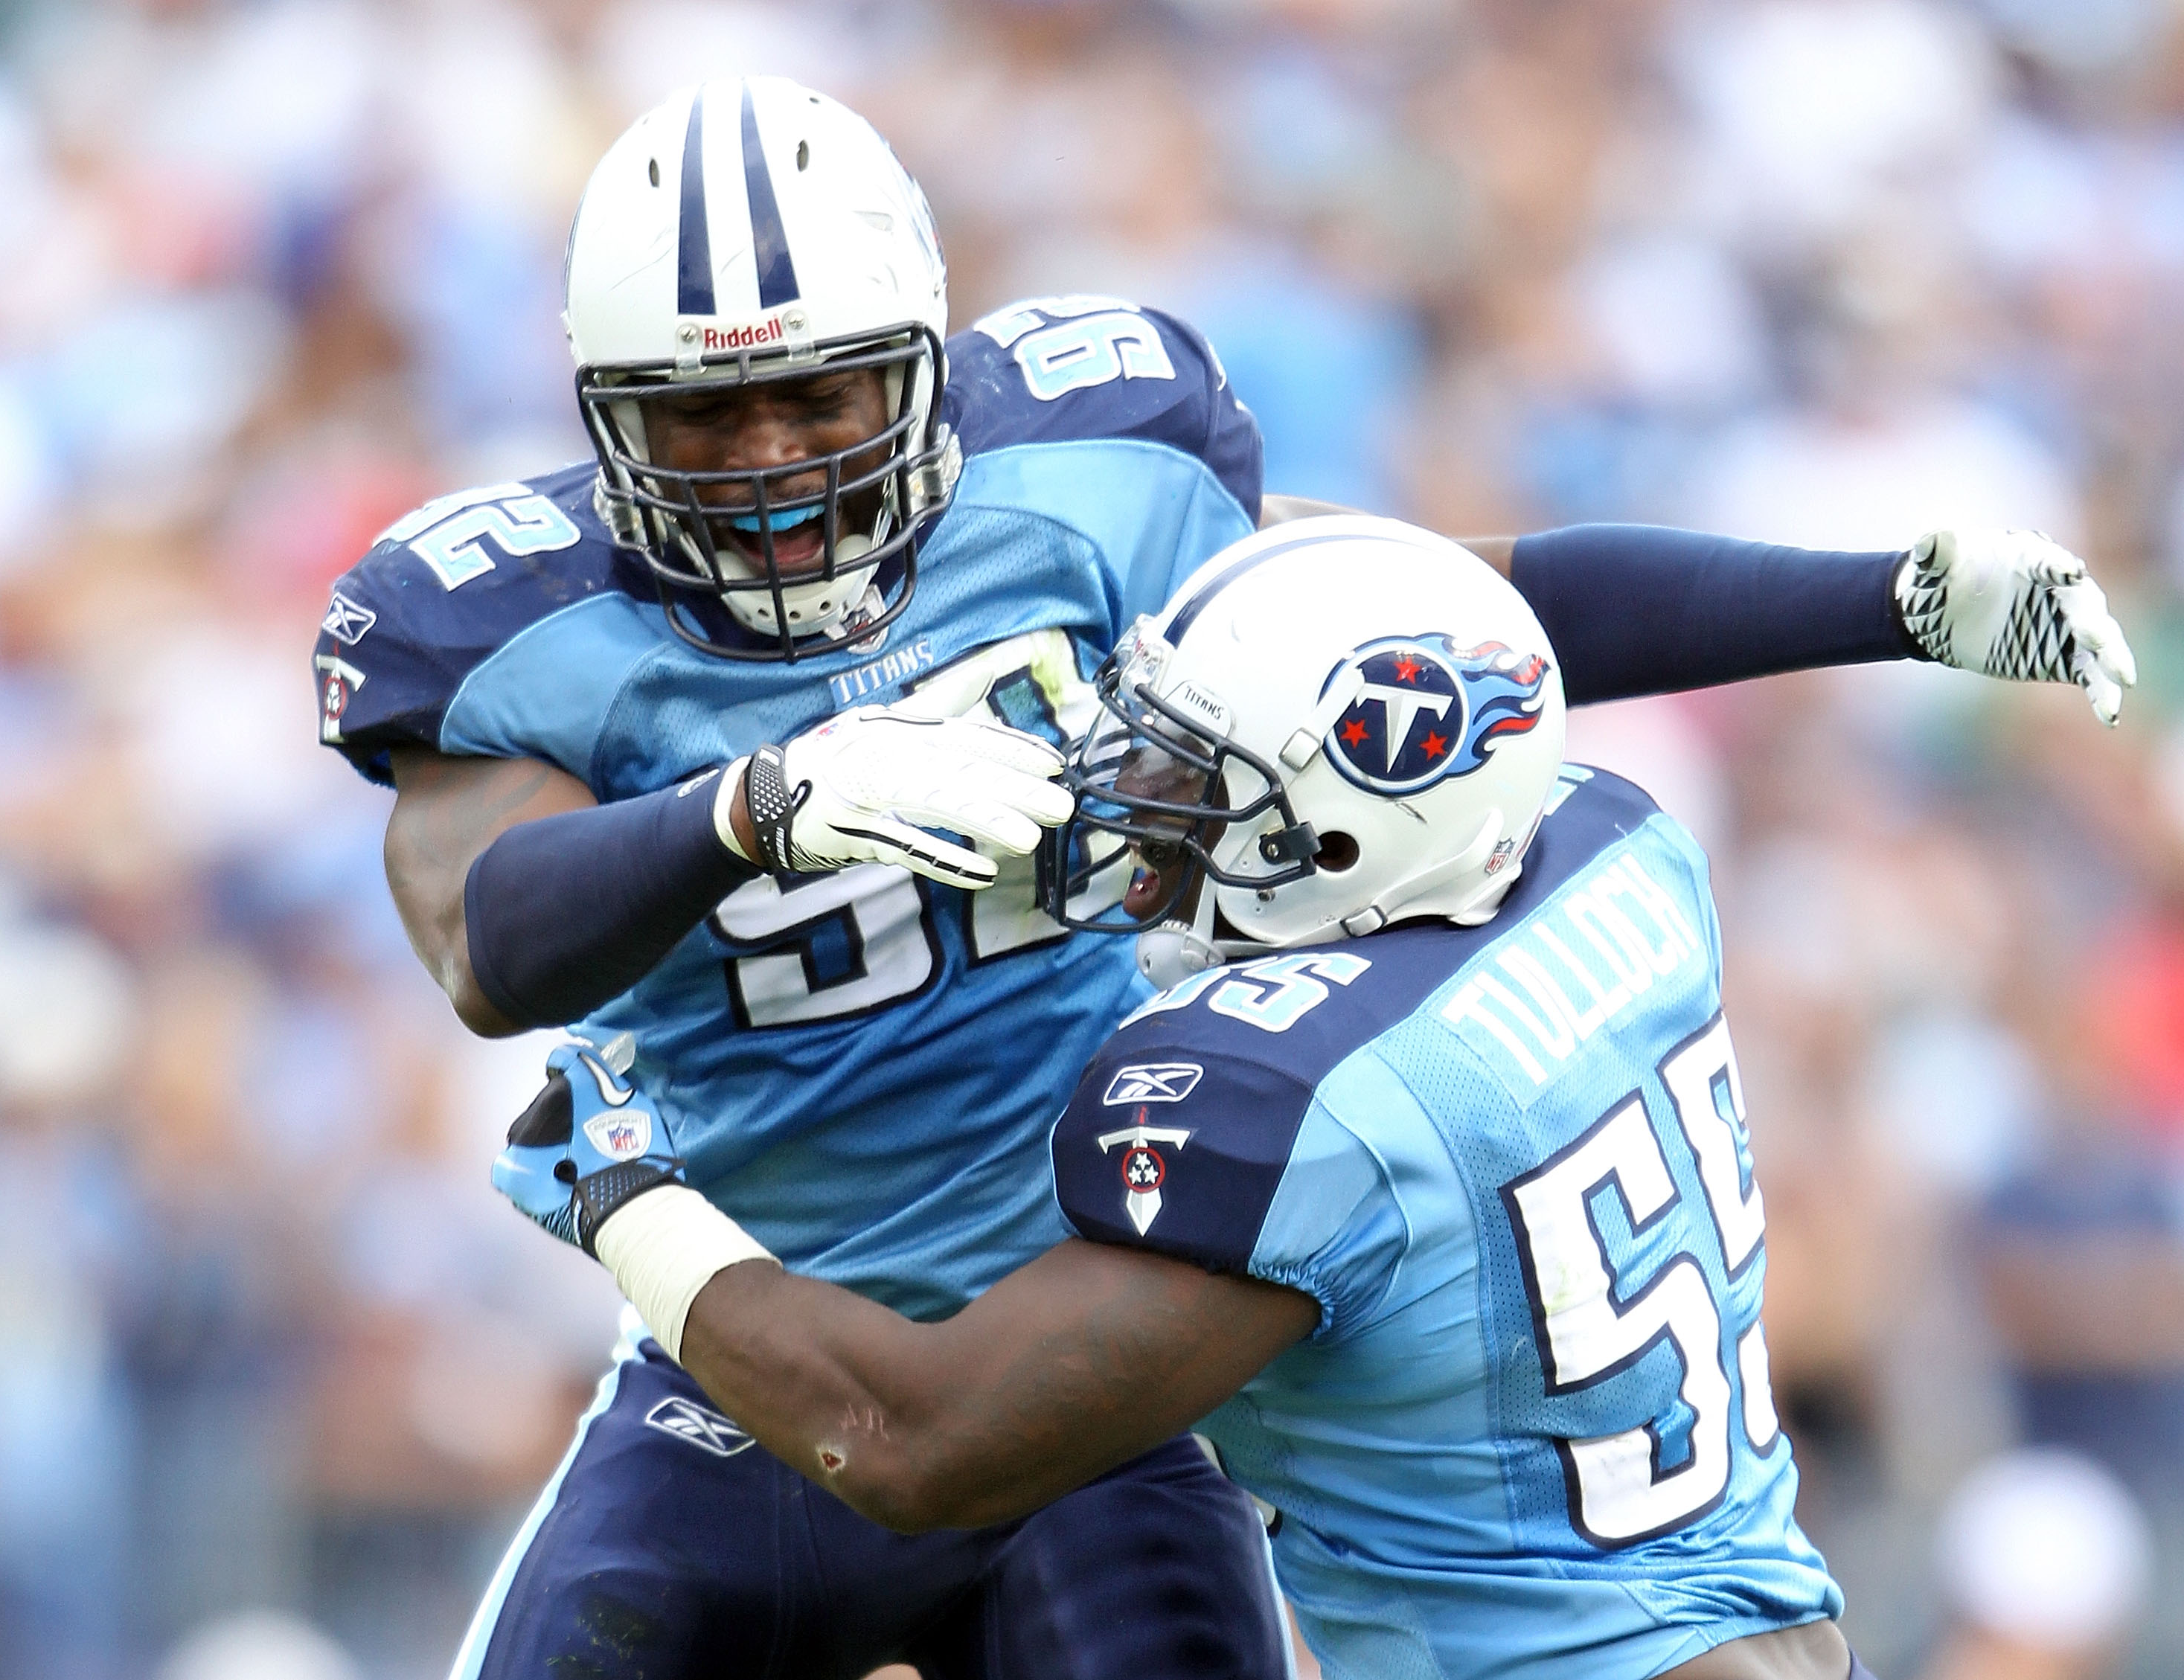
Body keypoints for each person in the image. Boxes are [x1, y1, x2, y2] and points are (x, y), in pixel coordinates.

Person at [321, 76, 2134, 1680]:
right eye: (705, 420)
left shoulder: (1091, 479)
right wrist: (751, 812)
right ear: (603, 417)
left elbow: (1437, 628)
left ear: (928, 366)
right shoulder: (521, 628)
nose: (775, 459)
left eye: (822, 394)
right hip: (752, 1363)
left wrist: (1878, 598)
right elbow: (493, 940)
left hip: (1099, 1344)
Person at [497, 515, 2039, 1680]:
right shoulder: (1617, 849)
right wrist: (1886, 599)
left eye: (1193, 785)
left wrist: (627, 1200)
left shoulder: (1297, 1102)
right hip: (1765, 1625)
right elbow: (1491, 634)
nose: (1140, 822)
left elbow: (913, 1442)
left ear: (1351, 825)